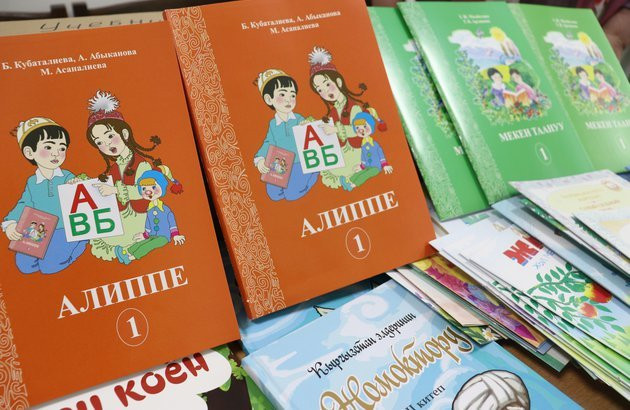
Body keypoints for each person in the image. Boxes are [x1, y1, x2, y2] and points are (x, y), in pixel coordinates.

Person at [86, 90, 182, 261]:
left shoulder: (141, 163)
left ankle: (129, 252)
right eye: (99, 142)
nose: (106, 144)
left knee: (118, 239)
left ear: (124, 134)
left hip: (139, 216)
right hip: (120, 214)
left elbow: (144, 192)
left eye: (110, 136)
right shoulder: (115, 167)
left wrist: (115, 190)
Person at [3, 117, 86, 274]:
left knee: (49, 267)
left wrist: (75, 184)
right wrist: (11, 224)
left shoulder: (67, 176)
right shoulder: (32, 182)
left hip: (64, 228)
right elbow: (24, 203)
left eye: (62, 148)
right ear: (29, 152)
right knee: (25, 266)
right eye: (48, 147)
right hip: (39, 228)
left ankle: (81, 241)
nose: (56, 153)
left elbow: (80, 192)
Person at [308, 46, 386, 189]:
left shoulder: (353, 107)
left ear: (338, 82)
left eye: (327, 84)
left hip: (357, 151)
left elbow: (357, 130)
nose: (326, 91)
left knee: (343, 169)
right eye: (320, 90)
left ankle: (352, 180)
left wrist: (335, 130)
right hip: (342, 151)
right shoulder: (333, 111)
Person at [253, 69, 318, 201]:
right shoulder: (273, 124)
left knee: (291, 195)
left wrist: (306, 125)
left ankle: (314, 173)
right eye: (282, 94)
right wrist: (260, 159)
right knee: (274, 194)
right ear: (269, 99)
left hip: (300, 162)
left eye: (292, 95)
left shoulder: (298, 119)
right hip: (281, 163)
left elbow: (311, 131)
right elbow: (268, 142)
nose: (289, 99)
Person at [114, 168, 185, 264]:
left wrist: (175, 235)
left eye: (153, 187)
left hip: (163, 237)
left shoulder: (165, 209)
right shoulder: (150, 209)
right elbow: (148, 223)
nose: (148, 191)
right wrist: (144, 235)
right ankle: (125, 252)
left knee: (147, 246)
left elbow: (171, 222)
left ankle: (130, 258)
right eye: (144, 189)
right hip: (152, 235)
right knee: (140, 243)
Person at [340, 112, 392, 191]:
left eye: (364, 126)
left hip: (376, 167)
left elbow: (381, 154)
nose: (361, 130)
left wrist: (384, 165)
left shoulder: (374, 144)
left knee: (365, 175)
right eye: (357, 128)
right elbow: (363, 157)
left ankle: (352, 185)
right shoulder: (363, 145)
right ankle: (348, 181)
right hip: (367, 166)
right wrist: (361, 166)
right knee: (358, 173)